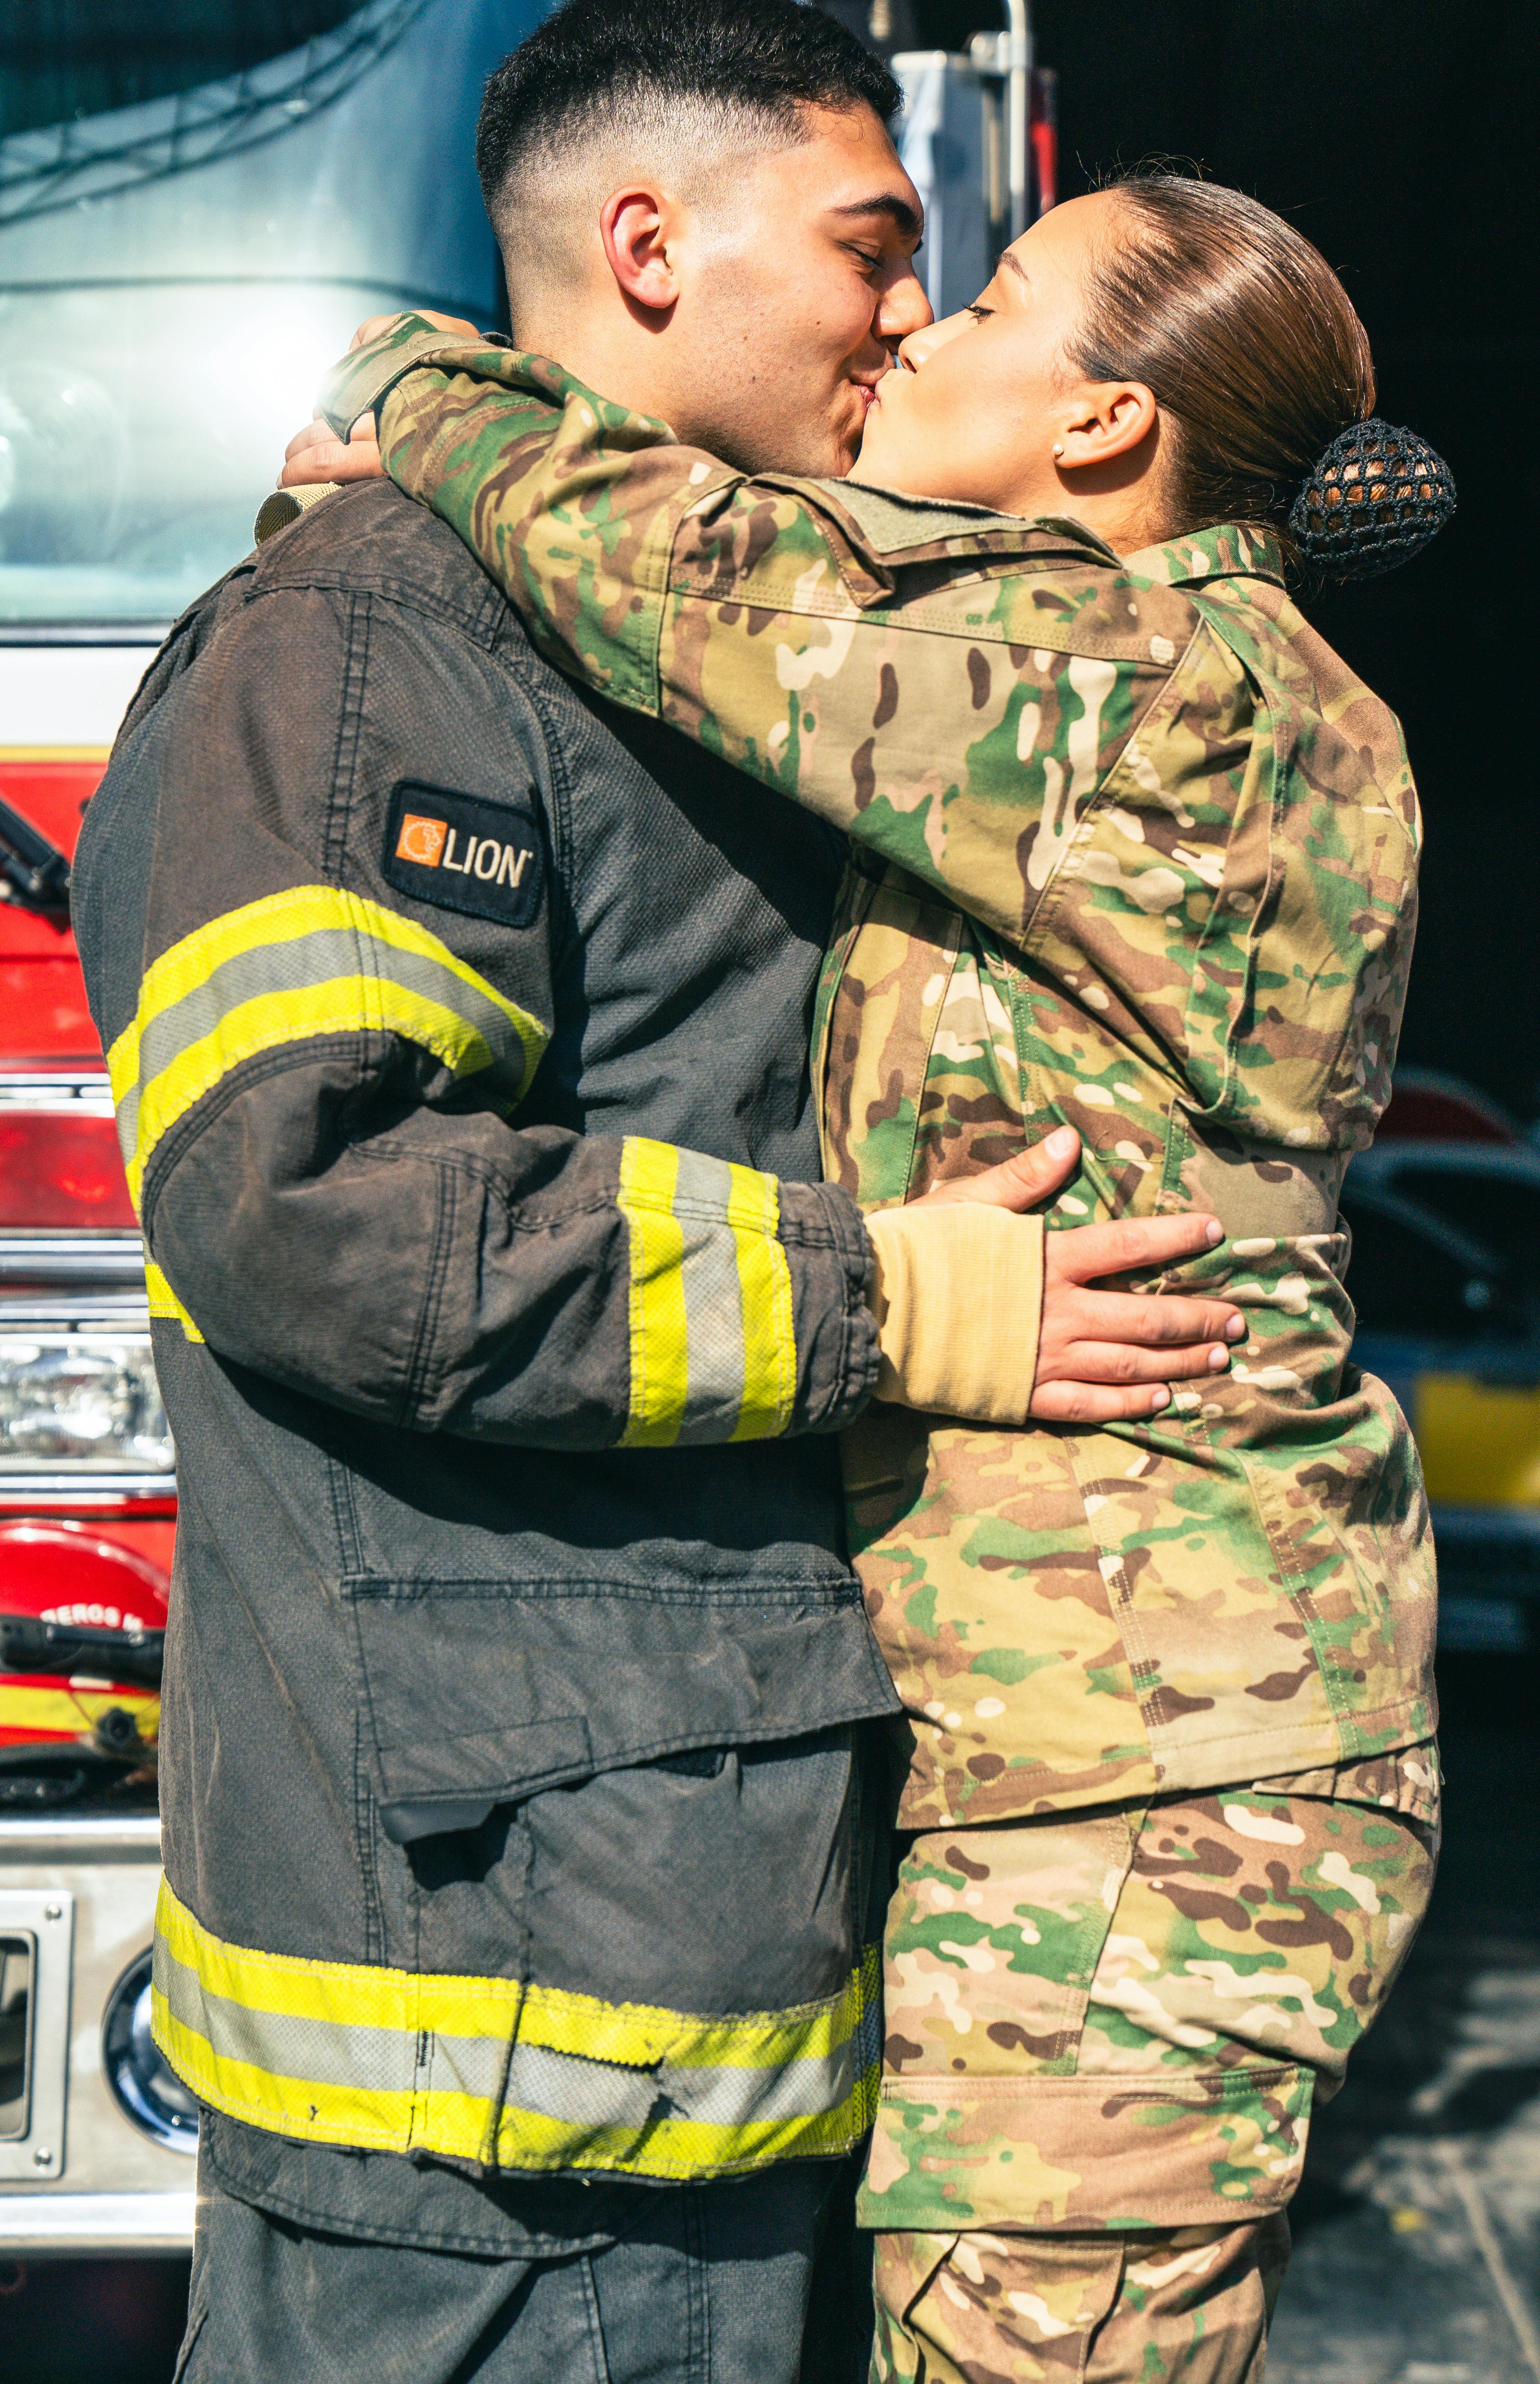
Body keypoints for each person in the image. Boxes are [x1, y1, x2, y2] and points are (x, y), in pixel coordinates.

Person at [71, 0, 1243, 2384]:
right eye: (874, 238)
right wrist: (896, 1303)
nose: (914, 309)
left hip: (639, 1980)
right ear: (645, 246)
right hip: (527, 2049)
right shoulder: (382, 654)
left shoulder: (671, 644)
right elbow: (316, 1206)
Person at [303, 167, 1452, 2382]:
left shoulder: (1127, 680)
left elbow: (689, 572)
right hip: (1127, 1745)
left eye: (994, 304)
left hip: (1148, 1780)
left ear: (1104, 424)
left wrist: (413, 377)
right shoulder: (1205, 684)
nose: (920, 329)